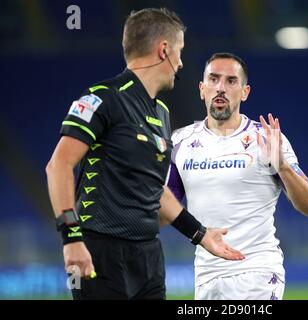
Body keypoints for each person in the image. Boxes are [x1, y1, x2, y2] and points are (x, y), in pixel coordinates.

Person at [46, 9, 243, 300]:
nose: (181, 62)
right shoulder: (102, 99)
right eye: (179, 52)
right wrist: (71, 238)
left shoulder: (161, 114)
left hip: (149, 257)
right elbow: (58, 165)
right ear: (163, 50)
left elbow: (154, 191)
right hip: (102, 253)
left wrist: (200, 234)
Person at [166, 52, 308, 300]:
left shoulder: (267, 139)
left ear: (245, 91)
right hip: (206, 277)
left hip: (256, 273)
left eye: (231, 81)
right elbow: (164, 209)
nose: (221, 88)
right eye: (214, 80)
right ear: (202, 89)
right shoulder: (180, 142)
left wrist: (282, 165)